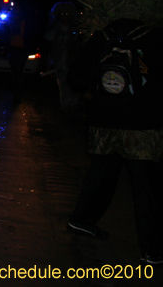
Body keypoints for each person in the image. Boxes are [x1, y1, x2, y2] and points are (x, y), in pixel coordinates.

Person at [67, 17, 163, 265]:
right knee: (146, 185)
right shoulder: (154, 38)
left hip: (103, 121)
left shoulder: (101, 36)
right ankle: (152, 249)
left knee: (102, 172)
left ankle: (82, 220)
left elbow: (76, 77)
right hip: (141, 125)